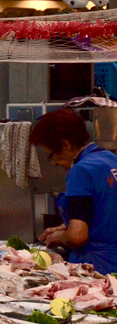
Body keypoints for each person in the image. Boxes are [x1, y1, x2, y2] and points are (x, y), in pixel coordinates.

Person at [32, 108, 117, 273]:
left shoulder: (81, 171)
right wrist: (65, 226)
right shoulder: (111, 159)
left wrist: (60, 237)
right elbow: (106, 209)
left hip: (99, 268)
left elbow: (77, 237)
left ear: (66, 145)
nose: (54, 163)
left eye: (52, 156)